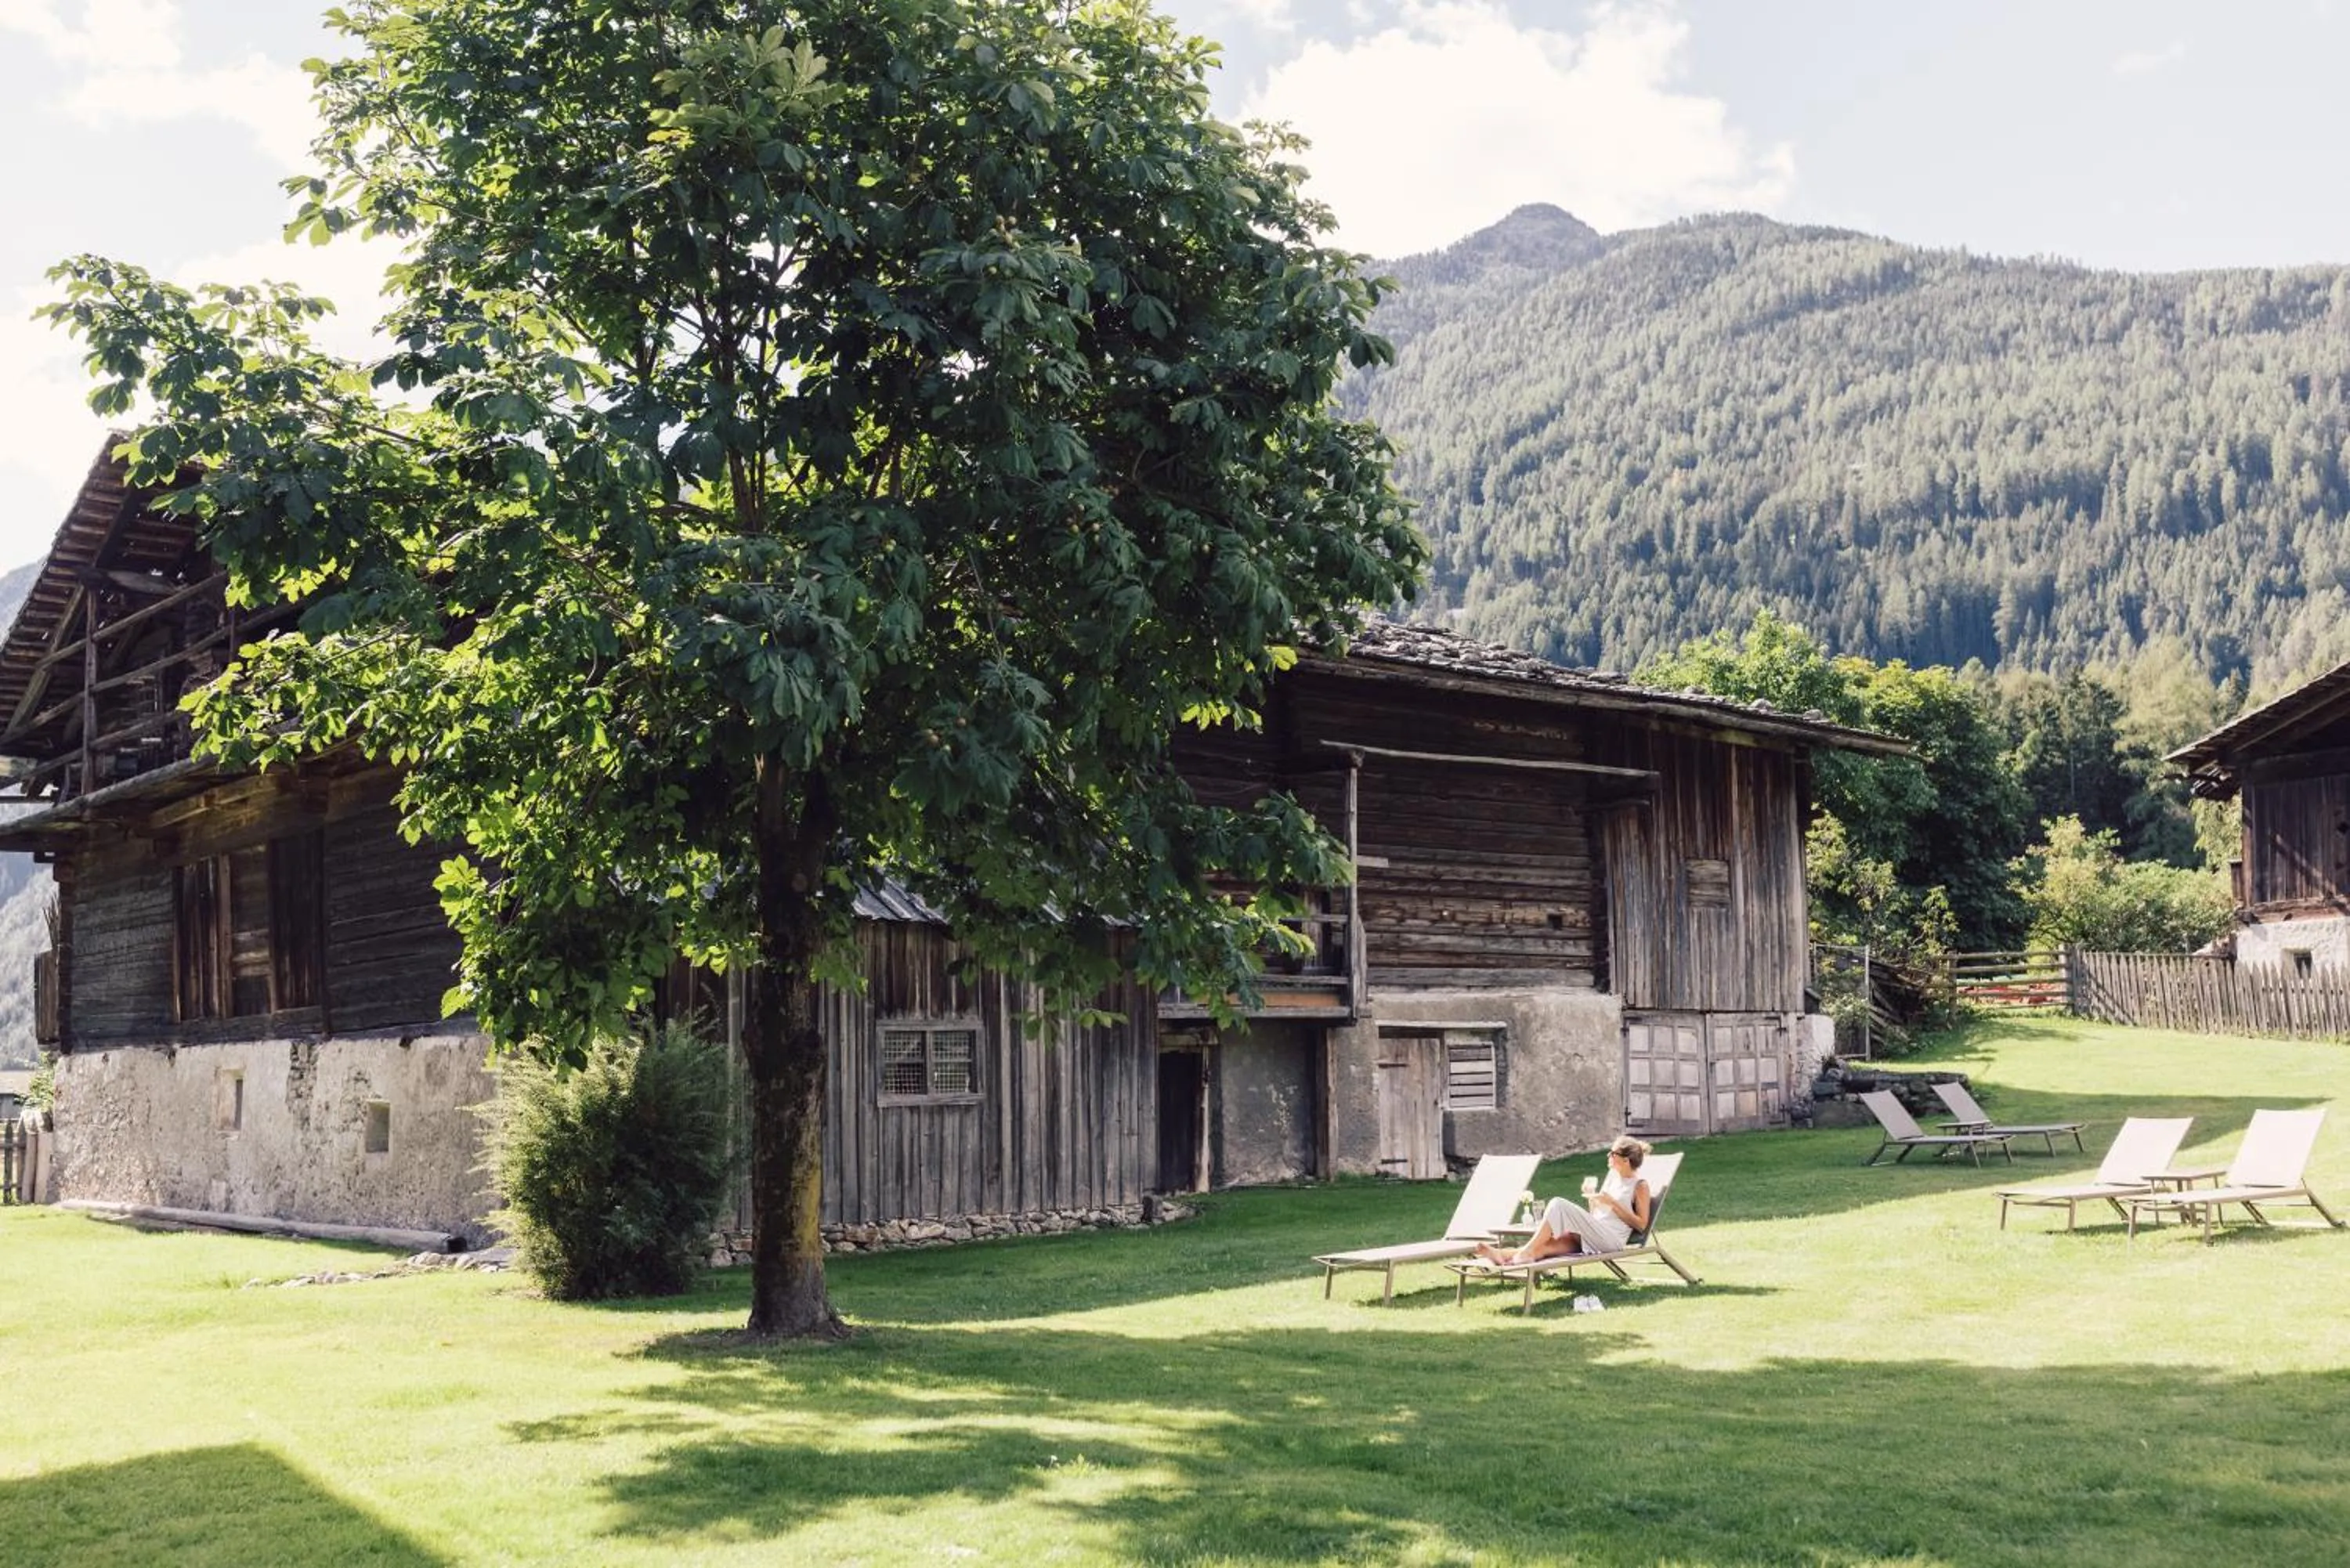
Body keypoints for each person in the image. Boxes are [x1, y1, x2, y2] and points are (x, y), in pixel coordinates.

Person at [1473, 1136, 1653, 1266]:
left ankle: (1524, 1252)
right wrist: (1593, 1199)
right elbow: (1596, 1216)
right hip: (1595, 1234)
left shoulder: (1640, 1185)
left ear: (1626, 1160)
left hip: (1611, 1241)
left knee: (1558, 1204)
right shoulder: (1612, 1180)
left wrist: (1612, 1202)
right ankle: (1501, 1255)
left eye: (1613, 1153)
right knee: (1546, 1246)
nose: (1608, 1156)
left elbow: (1641, 1225)